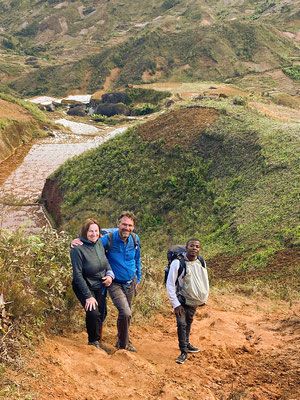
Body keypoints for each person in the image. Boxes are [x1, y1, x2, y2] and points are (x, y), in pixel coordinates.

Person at [71, 211, 141, 352]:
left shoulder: (134, 239)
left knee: (117, 313)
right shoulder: (106, 240)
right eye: (124, 224)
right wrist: (73, 241)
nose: (127, 228)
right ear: (118, 225)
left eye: (130, 225)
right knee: (121, 312)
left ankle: (121, 341)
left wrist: (137, 278)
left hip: (125, 282)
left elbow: (137, 259)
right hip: (110, 283)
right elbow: (89, 241)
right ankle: (100, 343)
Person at [70, 218, 114, 351]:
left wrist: (110, 275)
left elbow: (105, 263)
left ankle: (98, 340)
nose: (93, 234)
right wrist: (88, 296)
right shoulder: (77, 249)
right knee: (93, 312)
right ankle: (93, 342)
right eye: (90, 231)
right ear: (85, 232)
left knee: (102, 312)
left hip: (99, 284)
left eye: (96, 231)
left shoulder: (99, 243)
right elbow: (77, 275)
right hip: (84, 285)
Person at [166, 238, 209, 364]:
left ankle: (187, 343)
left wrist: (203, 297)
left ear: (199, 249)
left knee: (189, 321)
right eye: (192, 246)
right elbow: (170, 285)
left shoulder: (201, 261)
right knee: (181, 323)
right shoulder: (177, 263)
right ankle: (183, 351)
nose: (194, 248)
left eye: (197, 246)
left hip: (193, 298)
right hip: (181, 300)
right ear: (186, 247)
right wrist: (175, 304)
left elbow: (204, 279)